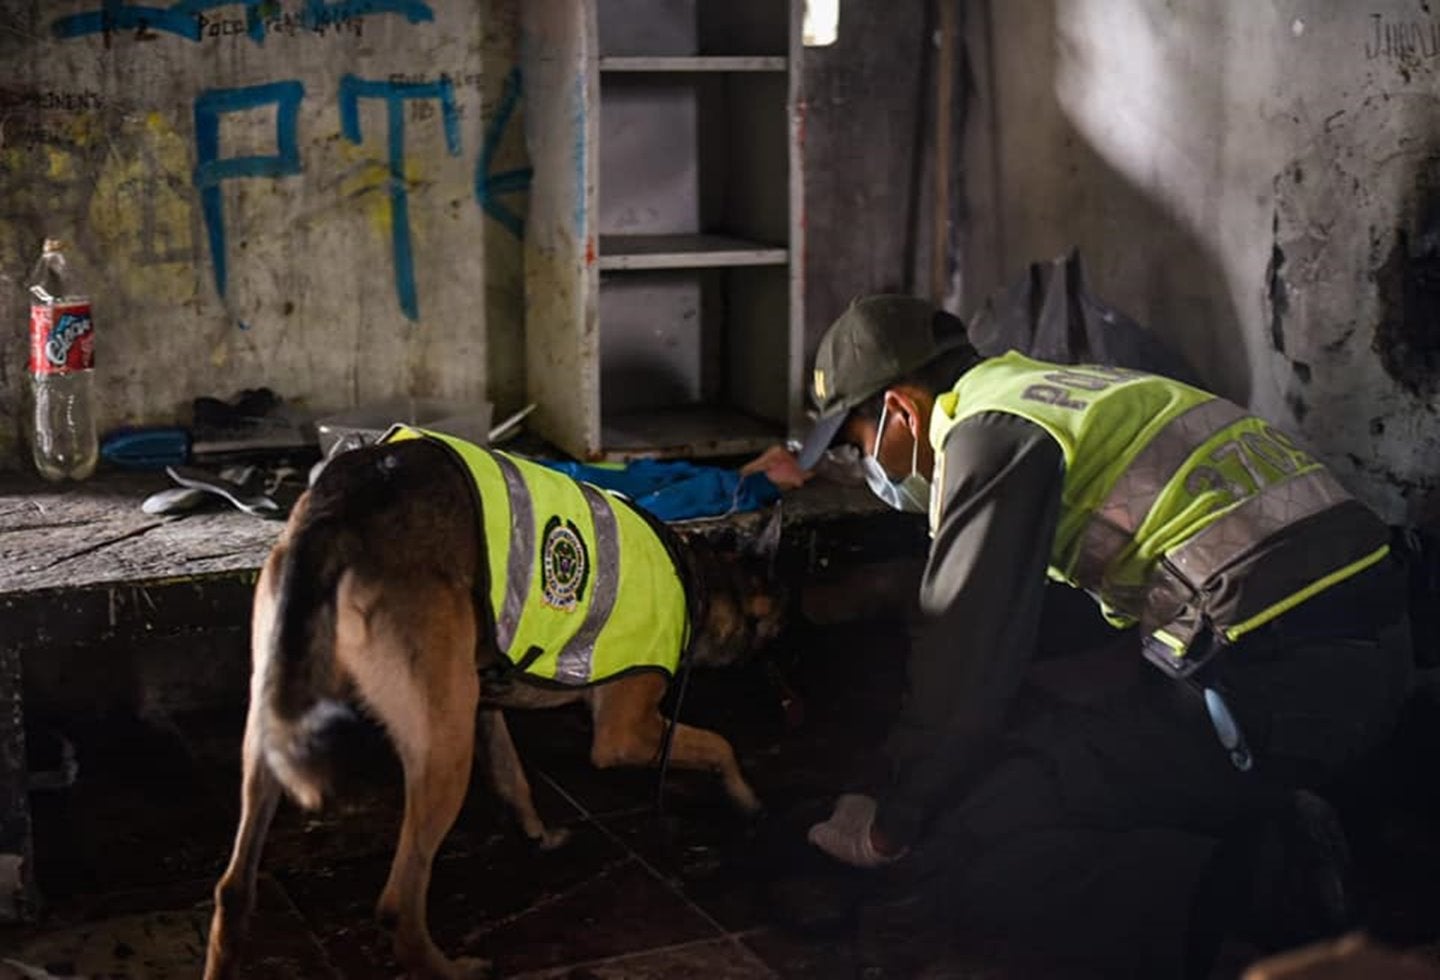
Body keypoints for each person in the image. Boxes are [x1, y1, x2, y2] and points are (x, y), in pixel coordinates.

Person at [751, 295, 1415, 978]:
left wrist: (895, 817)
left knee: (995, 832)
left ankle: (1265, 885)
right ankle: (1279, 819)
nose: (866, 466)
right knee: (1068, 736)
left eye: (858, 445)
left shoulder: (987, 436)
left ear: (901, 411)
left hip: (1283, 686)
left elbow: (965, 666)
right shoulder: (1059, 392)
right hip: (1380, 639)